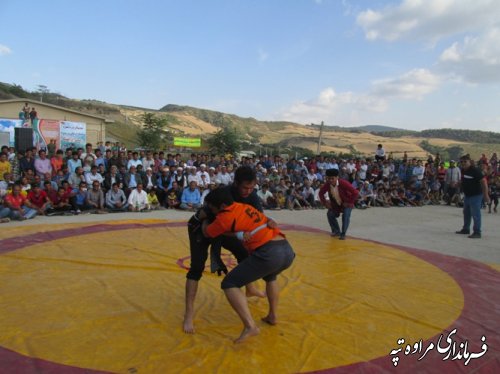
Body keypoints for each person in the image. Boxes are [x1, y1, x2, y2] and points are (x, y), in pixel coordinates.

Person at [182, 166, 269, 335]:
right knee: (196, 268)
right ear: (235, 183)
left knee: (244, 254)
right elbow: (205, 220)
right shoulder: (223, 195)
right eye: (245, 187)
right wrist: (237, 233)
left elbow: (259, 218)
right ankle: (189, 313)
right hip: (202, 227)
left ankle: (250, 288)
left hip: (223, 229)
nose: (248, 191)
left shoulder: (252, 196)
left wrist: (268, 223)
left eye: (251, 188)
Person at [201, 188, 295, 343]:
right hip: (286, 250)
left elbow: (208, 233)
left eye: (212, 208)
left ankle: (250, 326)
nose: (212, 211)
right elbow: (260, 221)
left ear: (222, 206)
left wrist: (205, 220)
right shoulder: (243, 206)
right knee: (270, 276)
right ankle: (272, 315)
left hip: (269, 253)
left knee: (229, 283)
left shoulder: (224, 217)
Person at [455, 154, 490, 239]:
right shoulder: (463, 170)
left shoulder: (475, 170)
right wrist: (458, 184)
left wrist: (486, 195)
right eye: (461, 162)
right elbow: (465, 180)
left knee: (475, 214)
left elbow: (484, 183)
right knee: (466, 212)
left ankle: (477, 232)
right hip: (468, 195)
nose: (463, 163)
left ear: (469, 162)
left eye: (465, 161)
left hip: (476, 195)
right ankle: (466, 229)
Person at [319, 168, 359, 240]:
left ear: (337, 177)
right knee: (330, 214)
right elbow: (320, 193)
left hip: (347, 203)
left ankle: (343, 233)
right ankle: (336, 231)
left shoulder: (343, 183)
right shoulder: (327, 184)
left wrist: (349, 202)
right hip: (336, 205)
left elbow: (355, 193)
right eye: (328, 178)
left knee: (346, 215)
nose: (330, 180)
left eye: (332, 178)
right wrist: (325, 203)